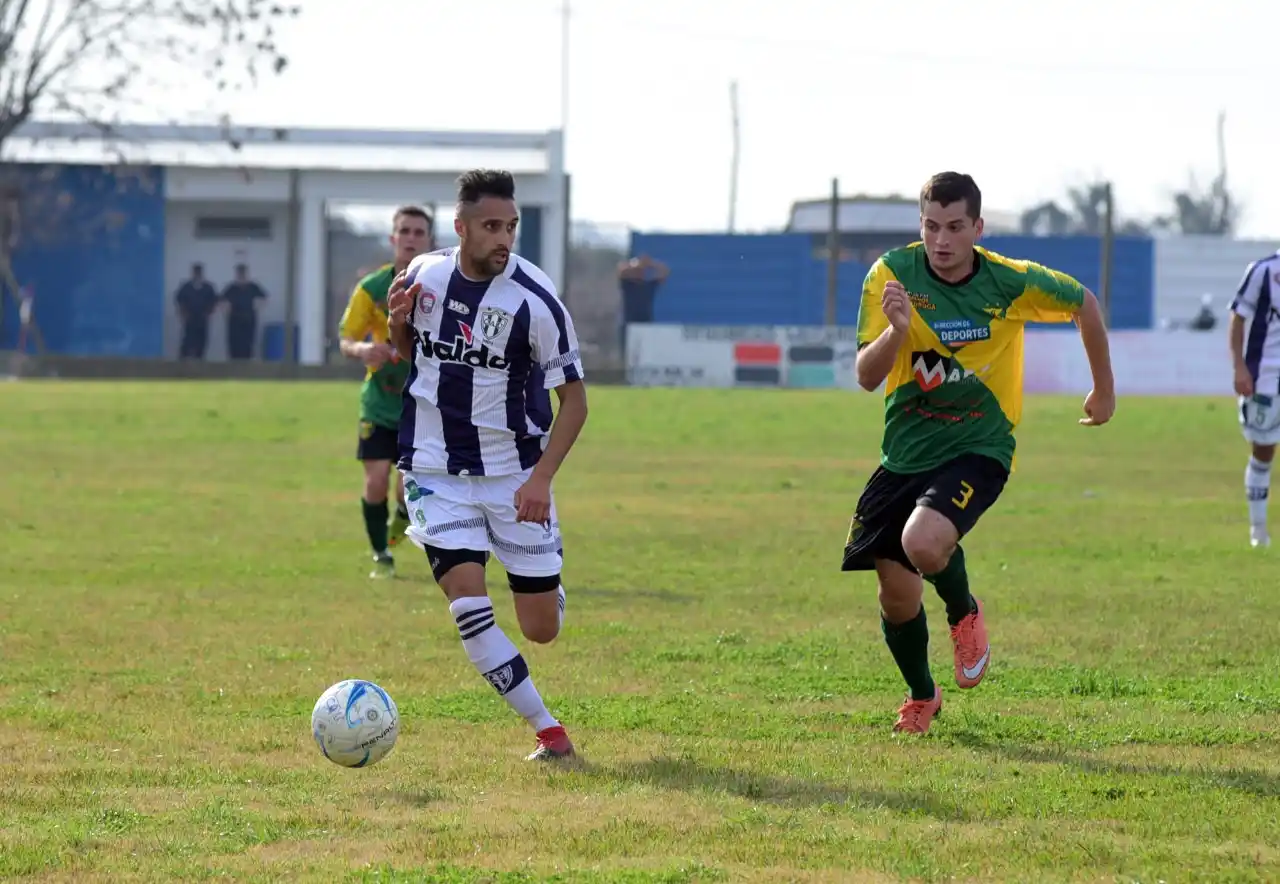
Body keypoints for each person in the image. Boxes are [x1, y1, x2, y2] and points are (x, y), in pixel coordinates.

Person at [844, 171, 1116, 735]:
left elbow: (1084, 304)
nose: (941, 241)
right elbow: (867, 377)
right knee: (896, 595)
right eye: (930, 226)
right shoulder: (892, 275)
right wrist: (896, 332)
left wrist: (1104, 388)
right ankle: (923, 694)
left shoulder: (1009, 281)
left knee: (923, 542)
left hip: (980, 445)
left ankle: (964, 609)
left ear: (977, 227)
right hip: (905, 454)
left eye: (955, 227)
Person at [387, 169, 588, 762]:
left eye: (512, 226)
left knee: (540, 628)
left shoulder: (536, 300)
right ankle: (548, 730)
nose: (504, 238)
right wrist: (399, 324)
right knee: (468, 605)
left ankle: (547, 576)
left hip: (515, 476)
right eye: (492, 227)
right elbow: (414, 356)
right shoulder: (423, 276)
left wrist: (542, 480)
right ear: (461, 228)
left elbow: (574, 401)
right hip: (433, 470)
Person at [338, 205, 435, 578]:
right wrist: (362, 350)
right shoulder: (372, 289)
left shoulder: (441, 288)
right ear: (394, 239)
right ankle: (381, 553)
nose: (411, 238)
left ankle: (399, 522)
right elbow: (346, 339)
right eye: (404, 232)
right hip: (379, 402)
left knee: (407, 491)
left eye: (418, 232)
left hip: (422, 404)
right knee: (376, 479)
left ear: (429, 240)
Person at [1229, 250, 1280, 549]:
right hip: (1265, 378)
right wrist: (1239, 367)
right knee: (1263, 452)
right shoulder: (1263, 271)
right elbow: (1238, 318)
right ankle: (1258, 530)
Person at [221, 264, 267, 360]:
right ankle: (234, 366)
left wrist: (256, 307)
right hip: (234, 320)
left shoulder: (253, 287)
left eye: (243, 273)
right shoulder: (232, 288)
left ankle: (246, 366)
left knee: (248, 344)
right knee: (234, 344)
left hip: (248, 319)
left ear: (246, 273)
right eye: (239, 273)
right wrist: (226, 310)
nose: (241, 275)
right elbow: (221, 300)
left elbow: (264, 298)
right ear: (237, 274)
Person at [175, 264, 218, 360]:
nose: (197, 274)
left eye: (199, 272)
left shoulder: (208, 287)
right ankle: (184, 363)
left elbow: (214, 301)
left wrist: (208, 312)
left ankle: (200, 362)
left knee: (202, 342)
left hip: (202, 319)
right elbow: (180, 300)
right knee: (188, 342)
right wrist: (183, 313)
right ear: (193, 273)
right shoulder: (186, 287)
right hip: (190, 319)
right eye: (195, 272)